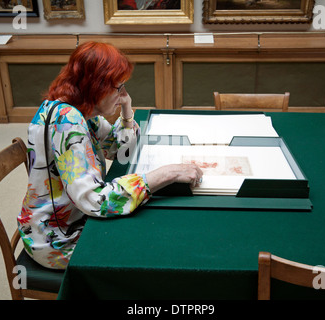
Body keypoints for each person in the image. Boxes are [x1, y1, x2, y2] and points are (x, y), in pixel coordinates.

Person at [17, 42, 202, 269]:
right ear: (96, 86)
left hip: (71, 220)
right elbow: (95, 201)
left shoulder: (81, 109)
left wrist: (126, 111)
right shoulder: (66, 122)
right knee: (154, 247)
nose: (123, 94)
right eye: (118, 88)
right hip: (57, 240)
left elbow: (118, 151)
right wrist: (165, 174)